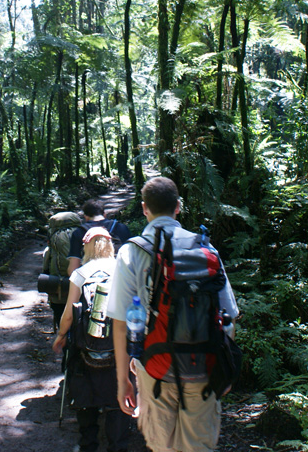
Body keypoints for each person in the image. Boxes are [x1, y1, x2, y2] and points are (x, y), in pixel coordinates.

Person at [106, 177, 239, 452]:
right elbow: (228, 315)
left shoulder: (131, 252)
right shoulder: (205, 248)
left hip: (154, 368)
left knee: (162, 446)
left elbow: (120, 323)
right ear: (178, 206)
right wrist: (224, 368)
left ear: (144, 208)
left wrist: (123, 382)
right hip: (203, 367)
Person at [53, 227, 131, 452]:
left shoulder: (81, 273)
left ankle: (88, 444)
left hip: (85, 345)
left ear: (86, 247)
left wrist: (61, 336)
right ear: (110, 245)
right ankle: (118, 446)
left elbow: (69, 314)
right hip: (119, 346)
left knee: (85, 389)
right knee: (117, 392)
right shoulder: (123, 270)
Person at [68, 199, 132, 276]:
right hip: (118, 277)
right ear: (104, 214)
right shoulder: (121, 228)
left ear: (86, 217)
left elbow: (73, 270)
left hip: (90, 279)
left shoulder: (78, 233)